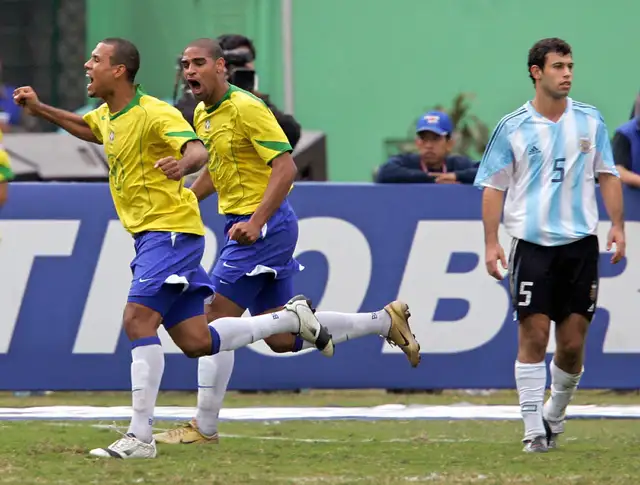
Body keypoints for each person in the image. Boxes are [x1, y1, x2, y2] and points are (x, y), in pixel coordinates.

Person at [13, 37, 333, 459]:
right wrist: (39, 109)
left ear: (119, 70)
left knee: (137, 321)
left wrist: (182, 166)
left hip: (169, 232)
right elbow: (87, 128)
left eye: (95, 59)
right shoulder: (110, 116)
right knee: (198, 340)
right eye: (185, 63)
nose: (86, 64)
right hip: (157, 234)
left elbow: (198, 150)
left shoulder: (156, 112)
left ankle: (140, 436)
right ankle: (286, 321)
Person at [152, 38, 421, 446]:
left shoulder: (246, 108)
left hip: (263, 228)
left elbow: (286, 167)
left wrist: (257, 221)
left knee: (210, 325)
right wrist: (187, 197)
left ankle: (204, 427)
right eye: (185, 64)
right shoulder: (205, 113)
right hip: (253, 226)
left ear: (222, 67)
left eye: (199, 63)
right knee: (280, 340)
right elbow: (219, 169)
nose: (190, 71)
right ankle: (385, 321)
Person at [474, 37, 625, 453]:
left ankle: (554, 415)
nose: (567, 74)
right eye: (558, 66)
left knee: (573, 344)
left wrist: (617, 225)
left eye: (571, 66)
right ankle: (531, 428)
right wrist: (491, 243)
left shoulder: (591, 121)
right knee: (535, 335)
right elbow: (493, 186)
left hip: (580, 246)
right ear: (536, 72)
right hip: (533, 246)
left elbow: (608, 174)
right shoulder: (514, 127)